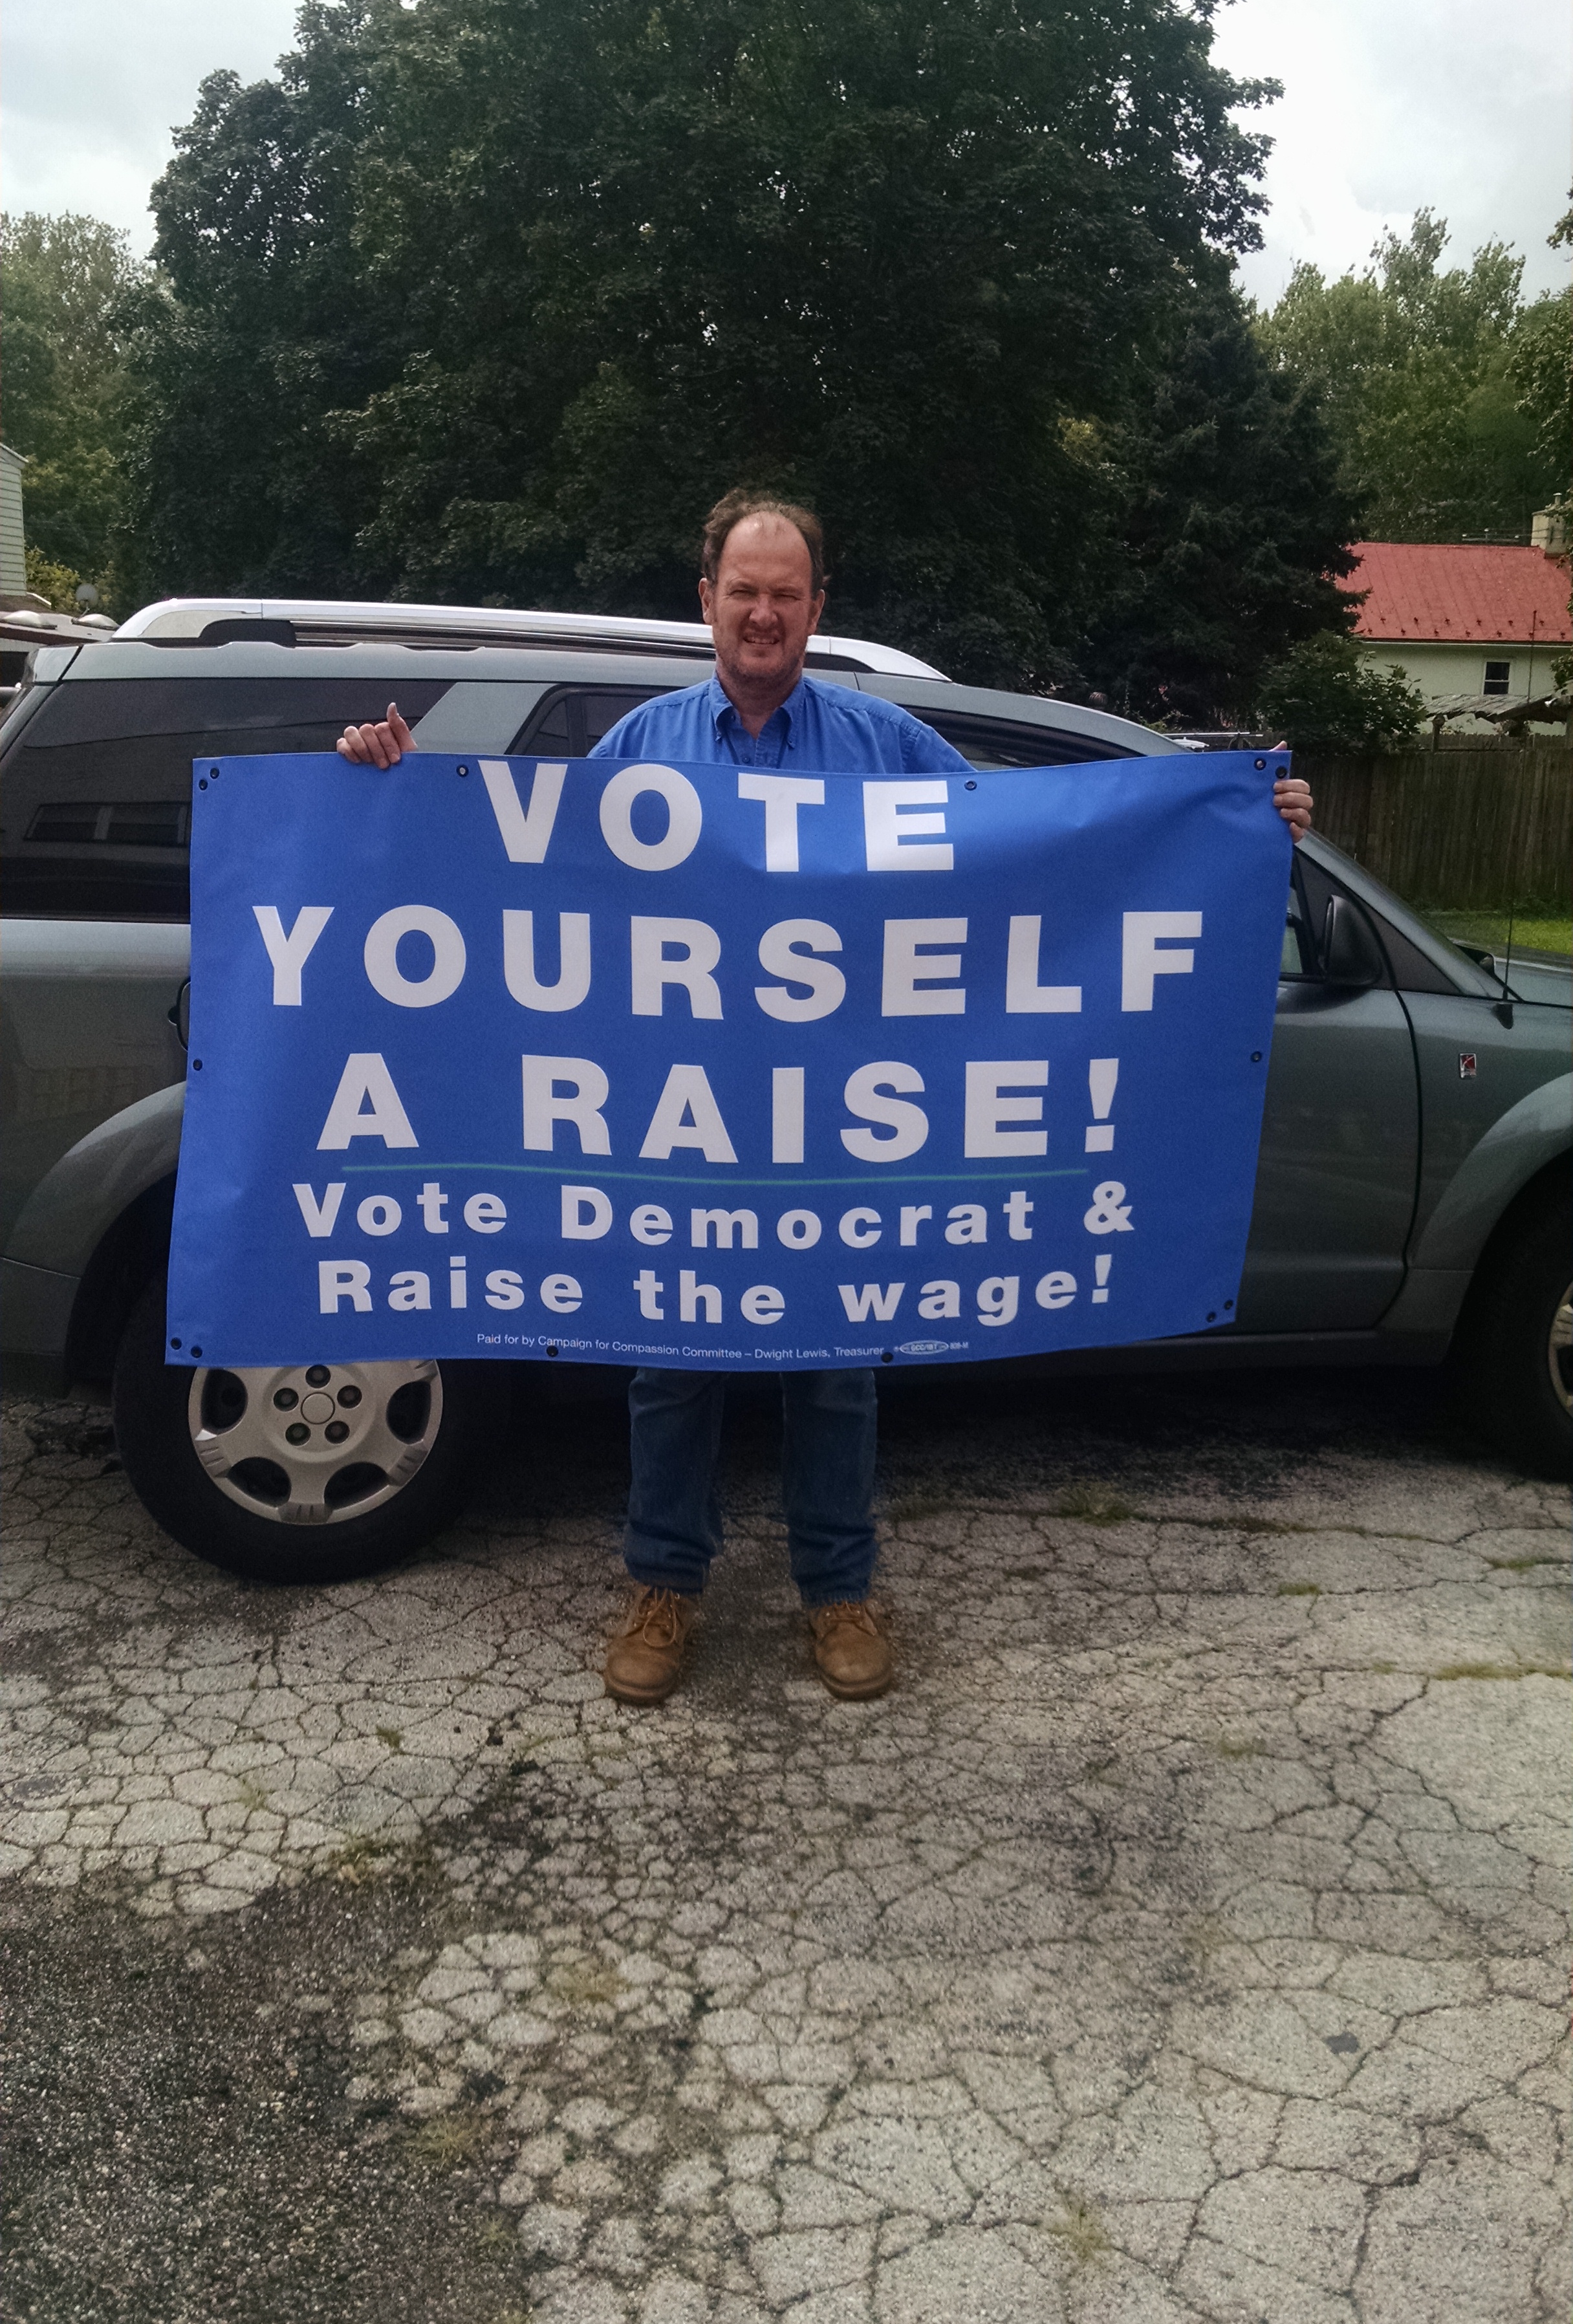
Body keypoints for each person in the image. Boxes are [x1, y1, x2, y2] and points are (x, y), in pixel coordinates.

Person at [337, 490, 1314, 1711]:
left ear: (815, 609)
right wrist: (397, 790)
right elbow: (527, 877)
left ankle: (837, 1590)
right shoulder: (641, 748)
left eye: (784, 594)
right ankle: (664, 1588)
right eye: (741, 590)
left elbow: (1034, 857)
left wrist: (1238, 826)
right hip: (679, 1132)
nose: (762, 613)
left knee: (840, 1361)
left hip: (840, 1133)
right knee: (670, 1361)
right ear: (706, 603)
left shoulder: (882, 746)